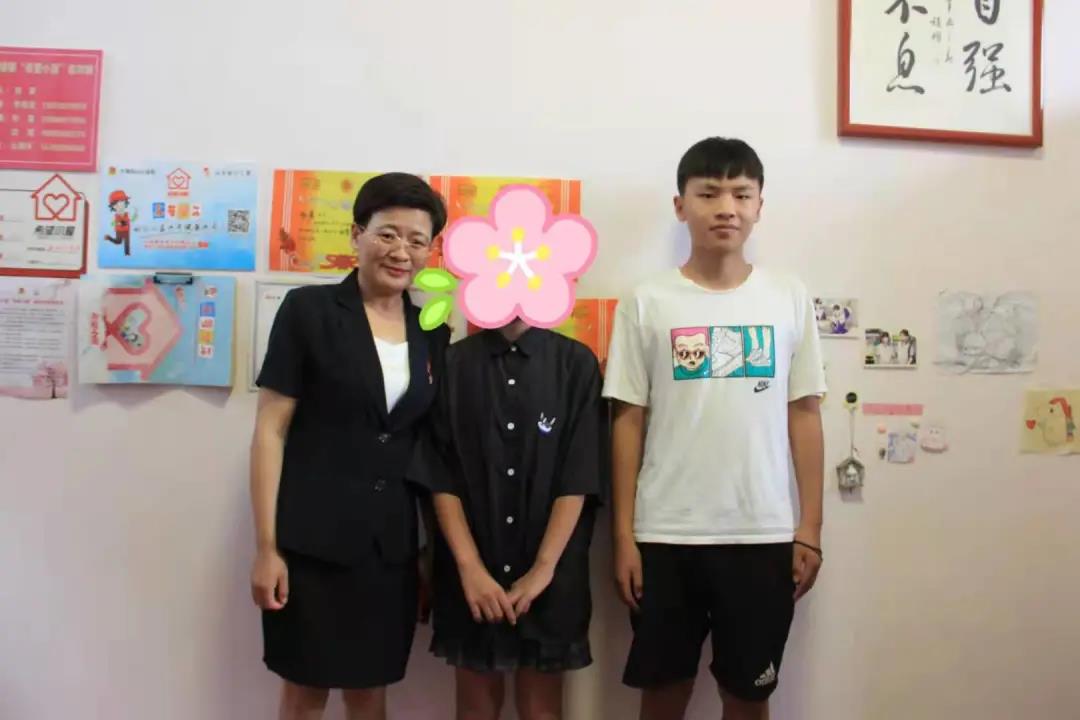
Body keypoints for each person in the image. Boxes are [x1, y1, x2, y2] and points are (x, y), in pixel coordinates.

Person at [603, 137, 827, 720]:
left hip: (762, 533)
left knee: (749, 697)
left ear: (759, 206)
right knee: (663, 694)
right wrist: (624, 536)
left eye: (740, 194)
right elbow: (627, 419)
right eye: (709, 194)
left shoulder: (788, 297)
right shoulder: (647, 301)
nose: (726, 207)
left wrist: (809, 527)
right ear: (681, 206)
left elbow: (804, 412)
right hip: (665, 533)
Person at [248, 172, 450, 720]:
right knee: (304, 695)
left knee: (371, 694)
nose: (401, 251)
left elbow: (425, 449)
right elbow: (270, 429)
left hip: (389, 551)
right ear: (357, 234)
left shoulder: (431, 331)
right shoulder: (309, 311)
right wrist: (267, 547)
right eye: (388, 234)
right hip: (309, 544)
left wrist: (429, 554)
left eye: (417, 240)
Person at [414, 319, 605, 720]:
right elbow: (440, 474)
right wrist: (470, 567)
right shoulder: (453, 363)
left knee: (541, 708)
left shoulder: (575, 363)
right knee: (476, 707)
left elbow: (579, 474)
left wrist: (543, 568)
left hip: (550, 569)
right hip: (471, 566)